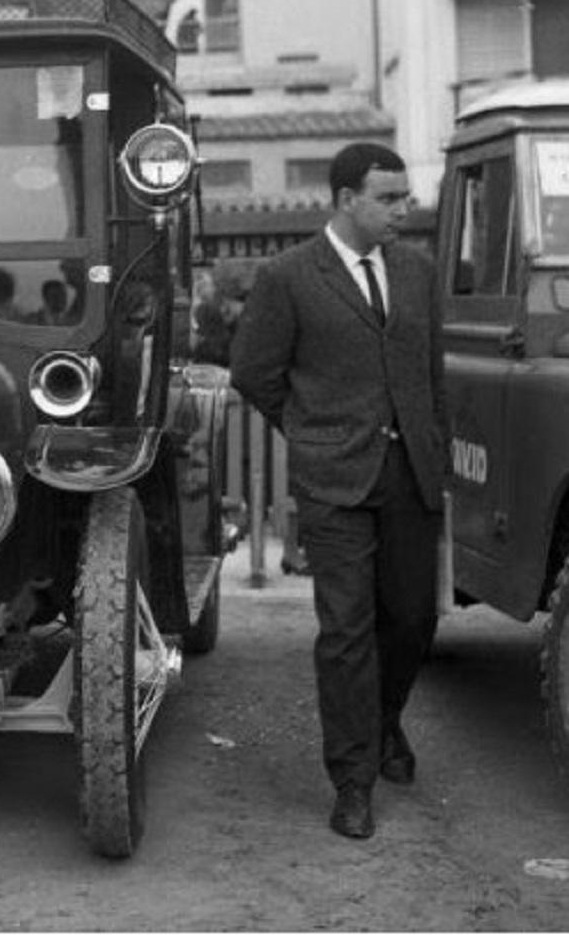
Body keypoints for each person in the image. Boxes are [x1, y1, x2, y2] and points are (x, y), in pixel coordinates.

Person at [230, 142, 446, 841]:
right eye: (386, 198)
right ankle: (351, 781)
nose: (400, 210)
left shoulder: (417, 272)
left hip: (409, 473)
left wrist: (431, 449)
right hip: (333, 481)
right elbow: (253, 373)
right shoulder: (288, 276)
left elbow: (429, 375)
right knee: (346, 631)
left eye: (403, 197)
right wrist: (310, 429)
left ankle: (383, 721)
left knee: (412, 619)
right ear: (345, 198)